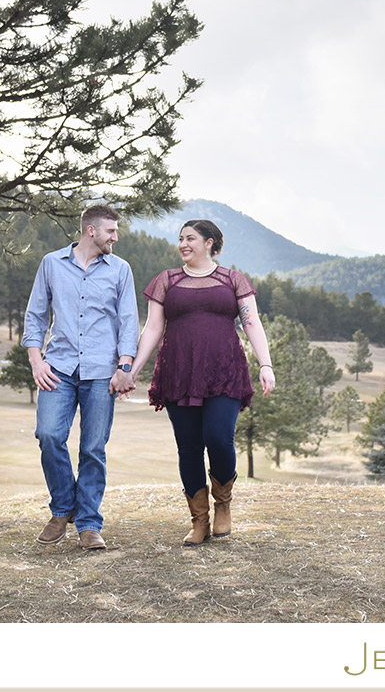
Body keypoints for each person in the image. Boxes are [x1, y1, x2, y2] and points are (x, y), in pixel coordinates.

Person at [123, 219, 275, 545]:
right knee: (189, 447)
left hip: (225, 371)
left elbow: (252, 324)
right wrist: (134, 370)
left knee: (219, 438)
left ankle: (223, 505)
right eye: (180, 239)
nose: (183, 244)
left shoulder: (233, 280)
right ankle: (199, 520)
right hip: (179, 372)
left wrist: (266, 364)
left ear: (210, 243)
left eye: (190, 238)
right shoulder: (167, 281)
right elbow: (152, 328)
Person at [23, 204, 139, 550]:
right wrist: (36, 361)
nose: (115, 238)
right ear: (91, 231)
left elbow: (128, 321)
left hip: (102, 372)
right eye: (110, 232)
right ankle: (63, 507)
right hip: (58, 367)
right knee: (48, 435)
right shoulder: (51, 264)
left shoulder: (120, 269)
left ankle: (88, 523)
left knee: (92, 448)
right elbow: (36, 315)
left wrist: (124, 368)